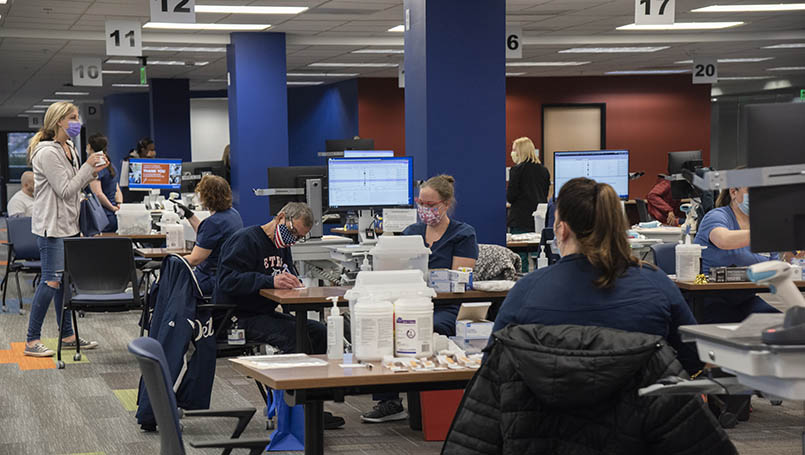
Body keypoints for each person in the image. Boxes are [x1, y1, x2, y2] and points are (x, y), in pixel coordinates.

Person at [492, 177, 701, 374]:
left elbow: (493, 370)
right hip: (642, 409)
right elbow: (693, 360)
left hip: (547, 411)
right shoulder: (658, 286)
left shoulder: (526, 292)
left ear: (562, 230)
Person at [214, 201, 344, 429]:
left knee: (319, 332)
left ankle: (313, 405)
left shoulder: (282, 244)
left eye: (299, 237)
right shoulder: (245, 240)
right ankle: (293, 411)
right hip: (236, 317)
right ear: (281, 217)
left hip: (263, 312)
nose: (293, 239)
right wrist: (269, 281)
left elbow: (286, 273)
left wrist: (295, 284)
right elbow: (226, 281)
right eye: (293, 231)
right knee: (296, 337)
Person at [361, 174, 478, 423]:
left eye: (430, 205)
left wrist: (427, 280)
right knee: (384, 329)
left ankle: (426, 403)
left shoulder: (463, 234)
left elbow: (459, 281)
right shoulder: (411, 232)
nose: (424, 210)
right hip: (410, 303)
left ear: (445, 204)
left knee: (428, 329)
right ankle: (389, 401)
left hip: (445, 306)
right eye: (420, 203)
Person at [24, 101, 106, 357]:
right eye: (72, 116)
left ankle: (68, 335)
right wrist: (86, 168)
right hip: (51, 227)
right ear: (59, 121)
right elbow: (65, 189)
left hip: (70, 225)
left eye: (77, 116)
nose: (77, 121)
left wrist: (93, 172)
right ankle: (31, 340)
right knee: (50, 282)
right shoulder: (46, 152)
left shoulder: (69, 147)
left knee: (64, 284)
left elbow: (76, 185)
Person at [693, 187, 788, 323]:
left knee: (782, 324)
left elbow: (774, 269)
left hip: (746, 299)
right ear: (733, 192)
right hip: (711, 298)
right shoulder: (717, 216)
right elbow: (724, 240)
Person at [176, 175, 243, 296]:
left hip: (210, 279)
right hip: (229, 276)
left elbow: (195, 259)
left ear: (205, 197)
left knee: (169, 286)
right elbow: (208, 234)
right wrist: (189, 214)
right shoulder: (233, 214)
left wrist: (171, 262)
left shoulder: (213, 223)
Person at [506, 137, 550, 233]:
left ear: (520, 151)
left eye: (514, 149)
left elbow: (510, 196)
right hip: (539, 219)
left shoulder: (516, 170)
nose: (512, 153)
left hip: (520, 220)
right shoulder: (544, 170)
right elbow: (545, 194)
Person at [87, 133, 123, 233]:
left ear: (90, 146)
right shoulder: (109, 164)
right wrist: (119, 206)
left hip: (102, 216)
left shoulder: (97, 165)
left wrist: (112, 208)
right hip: (113, 217)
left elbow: (98, 194)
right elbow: (117, 189)